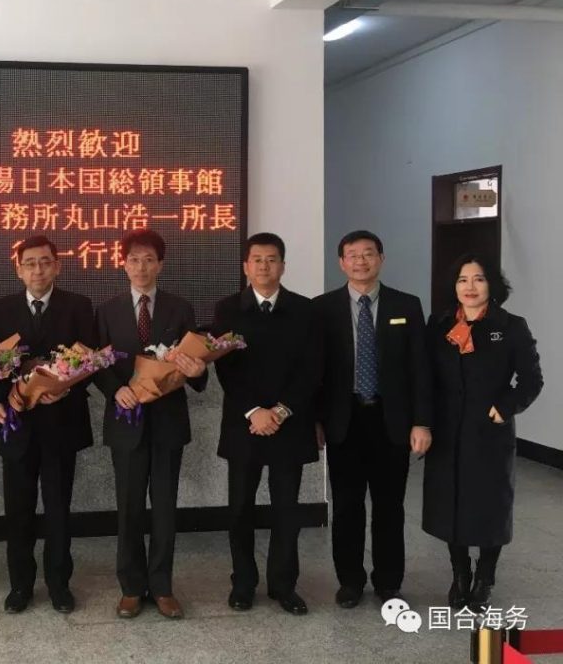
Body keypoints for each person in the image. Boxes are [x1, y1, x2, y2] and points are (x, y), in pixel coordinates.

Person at [314, 230, 431, 607]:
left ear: (381, 258)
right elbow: (316, 371)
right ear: (341, 263)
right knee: (346, 505)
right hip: (344, 420)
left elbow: (420, 368)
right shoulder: (323, 308)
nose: (360, 261)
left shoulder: (406, 305)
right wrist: (316, 420)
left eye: (368, 254)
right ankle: (350, 581)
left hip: (391, 420)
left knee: (389, 506)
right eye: (352, 255)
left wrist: (422, 421)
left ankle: (388, 582)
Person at [94, 229, 207, 620]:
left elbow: (196, 367)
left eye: (148, 260)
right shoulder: (106, 311)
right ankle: (130, 587)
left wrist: (197, 370)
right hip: (126, 422)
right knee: (128, 509)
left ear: (160, 264)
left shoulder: (180, 309)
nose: (140, 267)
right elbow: (99, 365)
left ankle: (161, 587)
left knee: (164, 509)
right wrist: (116, 390)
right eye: (133, 260)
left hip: (167, 424)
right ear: (123, 264)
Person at [422, 254, 542, 611]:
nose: (470, 287)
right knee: (451, 504)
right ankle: (460, 573)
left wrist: (505, 407)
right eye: (463, 280)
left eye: (478, 279)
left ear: (492, 284)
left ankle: (486, 575)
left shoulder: (511, 326)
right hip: (447, 431)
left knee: (490, 505)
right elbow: (426, 376)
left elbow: (532, 380)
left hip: (489, 432)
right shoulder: (439, 324)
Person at [0, 235, 96, 615]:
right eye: (30, 263)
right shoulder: (0, 310)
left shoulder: (79, 306)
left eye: (45, 262)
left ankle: (59, 584)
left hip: (62, 424)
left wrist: (65, 388)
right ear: (18, 269)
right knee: (18, 510)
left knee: (58, 510)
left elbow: (91, 362)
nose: (38, 270)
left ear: (57, 266)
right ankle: (20, 585)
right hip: (17, 424)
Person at [211, 233, 319, 615]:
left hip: (290, 423)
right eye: (256, 259)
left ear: (283, 266)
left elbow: (312, 368)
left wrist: (282, 410)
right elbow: (226, 368)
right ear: (246, 266)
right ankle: (243, 583)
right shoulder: (227, 309)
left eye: (271, 259)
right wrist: (255, 410)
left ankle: (283, 585)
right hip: (245, 424)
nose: (264, 266)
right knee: (240, 508)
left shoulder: (305, 310)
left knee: (286, 509)